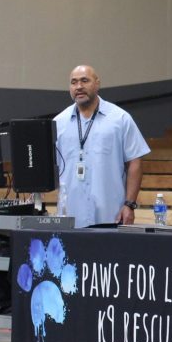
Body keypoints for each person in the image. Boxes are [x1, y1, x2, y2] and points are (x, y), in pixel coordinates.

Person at [53, 65, 149, 227]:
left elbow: (135, 162)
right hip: (70, 216)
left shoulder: (120, 119)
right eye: (74, 82)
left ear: (97, 84)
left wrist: (129, 204)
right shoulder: (58, 123)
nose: (79, 86)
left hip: (111, 215)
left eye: (85, 80)